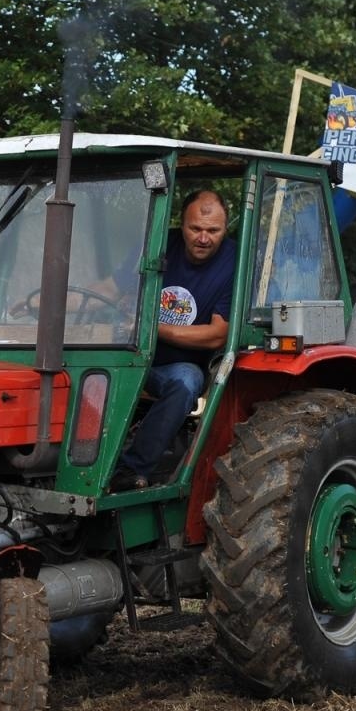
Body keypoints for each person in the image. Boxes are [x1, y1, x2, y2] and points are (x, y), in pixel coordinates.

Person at [112, 190, 236, 490]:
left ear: (225, 228)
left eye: (213, 231)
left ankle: (130, 470)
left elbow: (217, 334)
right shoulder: (159, 243)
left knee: (186, 381)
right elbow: (114, 288)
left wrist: (152, 329)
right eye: (196, 228)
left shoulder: (235, 261)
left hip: (177, 365)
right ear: (182, 224)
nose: (203, 238)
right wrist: (58, 300)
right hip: (130, 354)